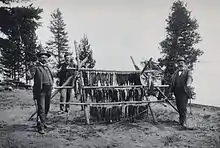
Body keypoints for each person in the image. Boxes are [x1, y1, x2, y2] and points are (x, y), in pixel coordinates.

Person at [27, 50, 54, 134]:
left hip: (49, 90)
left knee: (46, 108)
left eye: (45, 57)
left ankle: (43, 122)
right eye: (42, 57)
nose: (44, 58)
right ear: (39, 58)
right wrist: (29, 71)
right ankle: (40, 127)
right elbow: (30, 76)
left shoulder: (48, 67)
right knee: (41, 109)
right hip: (40, 91)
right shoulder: (36, 67)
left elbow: (52, 76)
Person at [169, 57, 193, 127]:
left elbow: (190, 77)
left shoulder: (188, 71)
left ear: (184, 64)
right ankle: (180, 121)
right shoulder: (176, 72)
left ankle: (184, 122)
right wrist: (171, 91)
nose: (180, 64)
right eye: (179, 63)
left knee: (183, 107)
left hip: (184, 92)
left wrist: (188, 84)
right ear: (177, 64)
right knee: (179, 107)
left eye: (182, 63)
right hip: (177, 92)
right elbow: (173, 81)